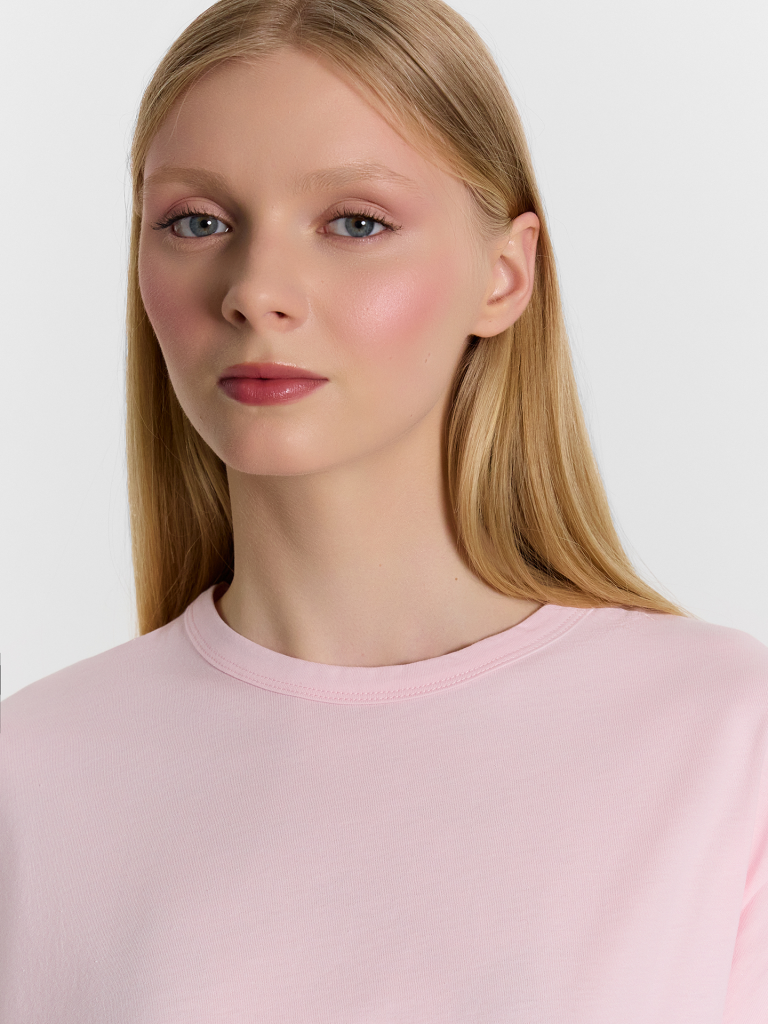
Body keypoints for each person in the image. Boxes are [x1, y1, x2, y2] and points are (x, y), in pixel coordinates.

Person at [1, 0, 766, 1020]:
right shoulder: (34, 773)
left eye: (355, 222)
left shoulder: (725, 741)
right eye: (198, 222)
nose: (256, 291)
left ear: (505, 276)